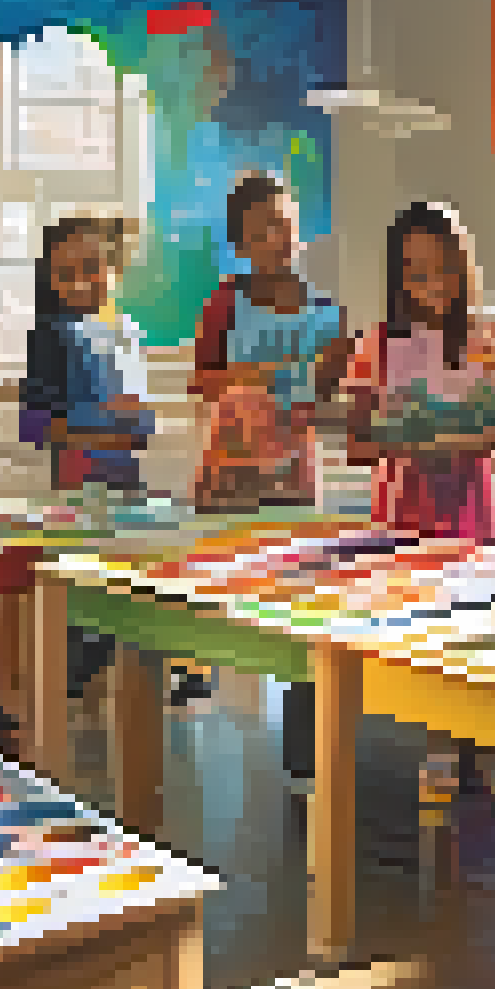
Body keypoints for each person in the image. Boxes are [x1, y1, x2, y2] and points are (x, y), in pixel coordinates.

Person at [345, 200, 495, 808]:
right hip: (405, 509)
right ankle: (442, 748)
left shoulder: (490, 334)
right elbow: (356, 441)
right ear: (398, 277)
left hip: (470, 508)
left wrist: (490, 428)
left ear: (463, 266)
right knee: (424, 631)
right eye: (416, 272)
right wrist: (406, 438)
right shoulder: (379, 342)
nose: (431, 284)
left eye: (443, 269)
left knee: (481, 626)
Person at [192, 174, 351, 759]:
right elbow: (200, 381)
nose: (276, 239)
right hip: (232, 468)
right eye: (261, 231)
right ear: (241, 242)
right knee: (226, 588)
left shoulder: (327, 311)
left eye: (283, 225)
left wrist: (336, 371)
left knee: (301, 595)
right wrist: (247, 375)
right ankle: (207, 686)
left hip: (295, 471)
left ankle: (303, 743)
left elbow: (332, 396)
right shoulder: (225, 302)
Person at [21, 217, 155, 711]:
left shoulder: (126, 332)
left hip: (127, 484)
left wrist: (134, 424)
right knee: (80, 592)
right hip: (78, 488)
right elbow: (33, 425)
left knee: (121, 587)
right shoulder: (49, 337)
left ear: (115, 268)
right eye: (67, 272)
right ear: (50, 278)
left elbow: (140, 417)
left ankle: (100, 683)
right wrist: (100, 431)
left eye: (93, 267)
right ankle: (65, 690)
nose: (81, 281)